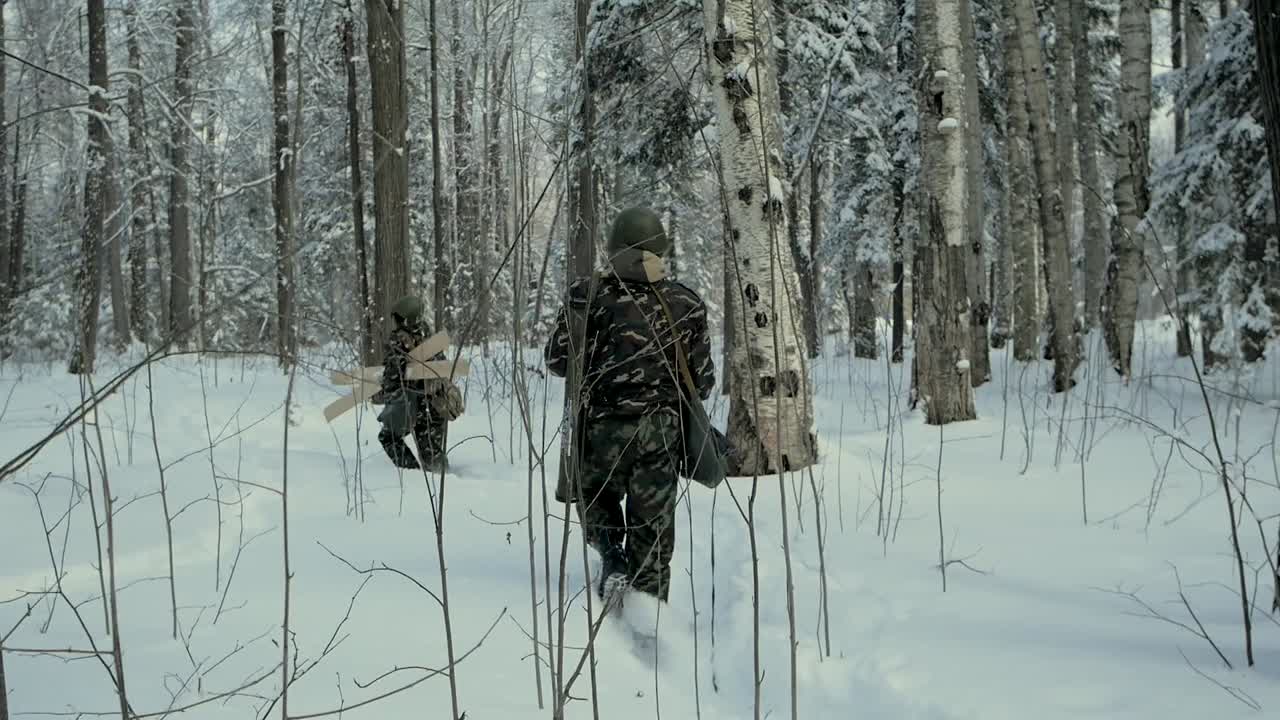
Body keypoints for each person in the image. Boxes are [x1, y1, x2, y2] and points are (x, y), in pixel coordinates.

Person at [544, 206, 715, 606]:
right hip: (661, 432)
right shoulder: (685, 303)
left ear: (614, 246)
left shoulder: (587, 296)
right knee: (652, 526)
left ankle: (611, 555)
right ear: (660, 248)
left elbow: (557, 362)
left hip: (601, 427)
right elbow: (703, 382)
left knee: (593, 495)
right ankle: (650, 614)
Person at [374, 295, 450, 472]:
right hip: (435, 405)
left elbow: (393, 375)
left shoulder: (401, 339)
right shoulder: (429, 336)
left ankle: (412, 475)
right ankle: (444, 480)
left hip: (415, 406)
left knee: (388, 437)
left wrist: (383, 389)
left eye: (398, 318)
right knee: (433, 457)